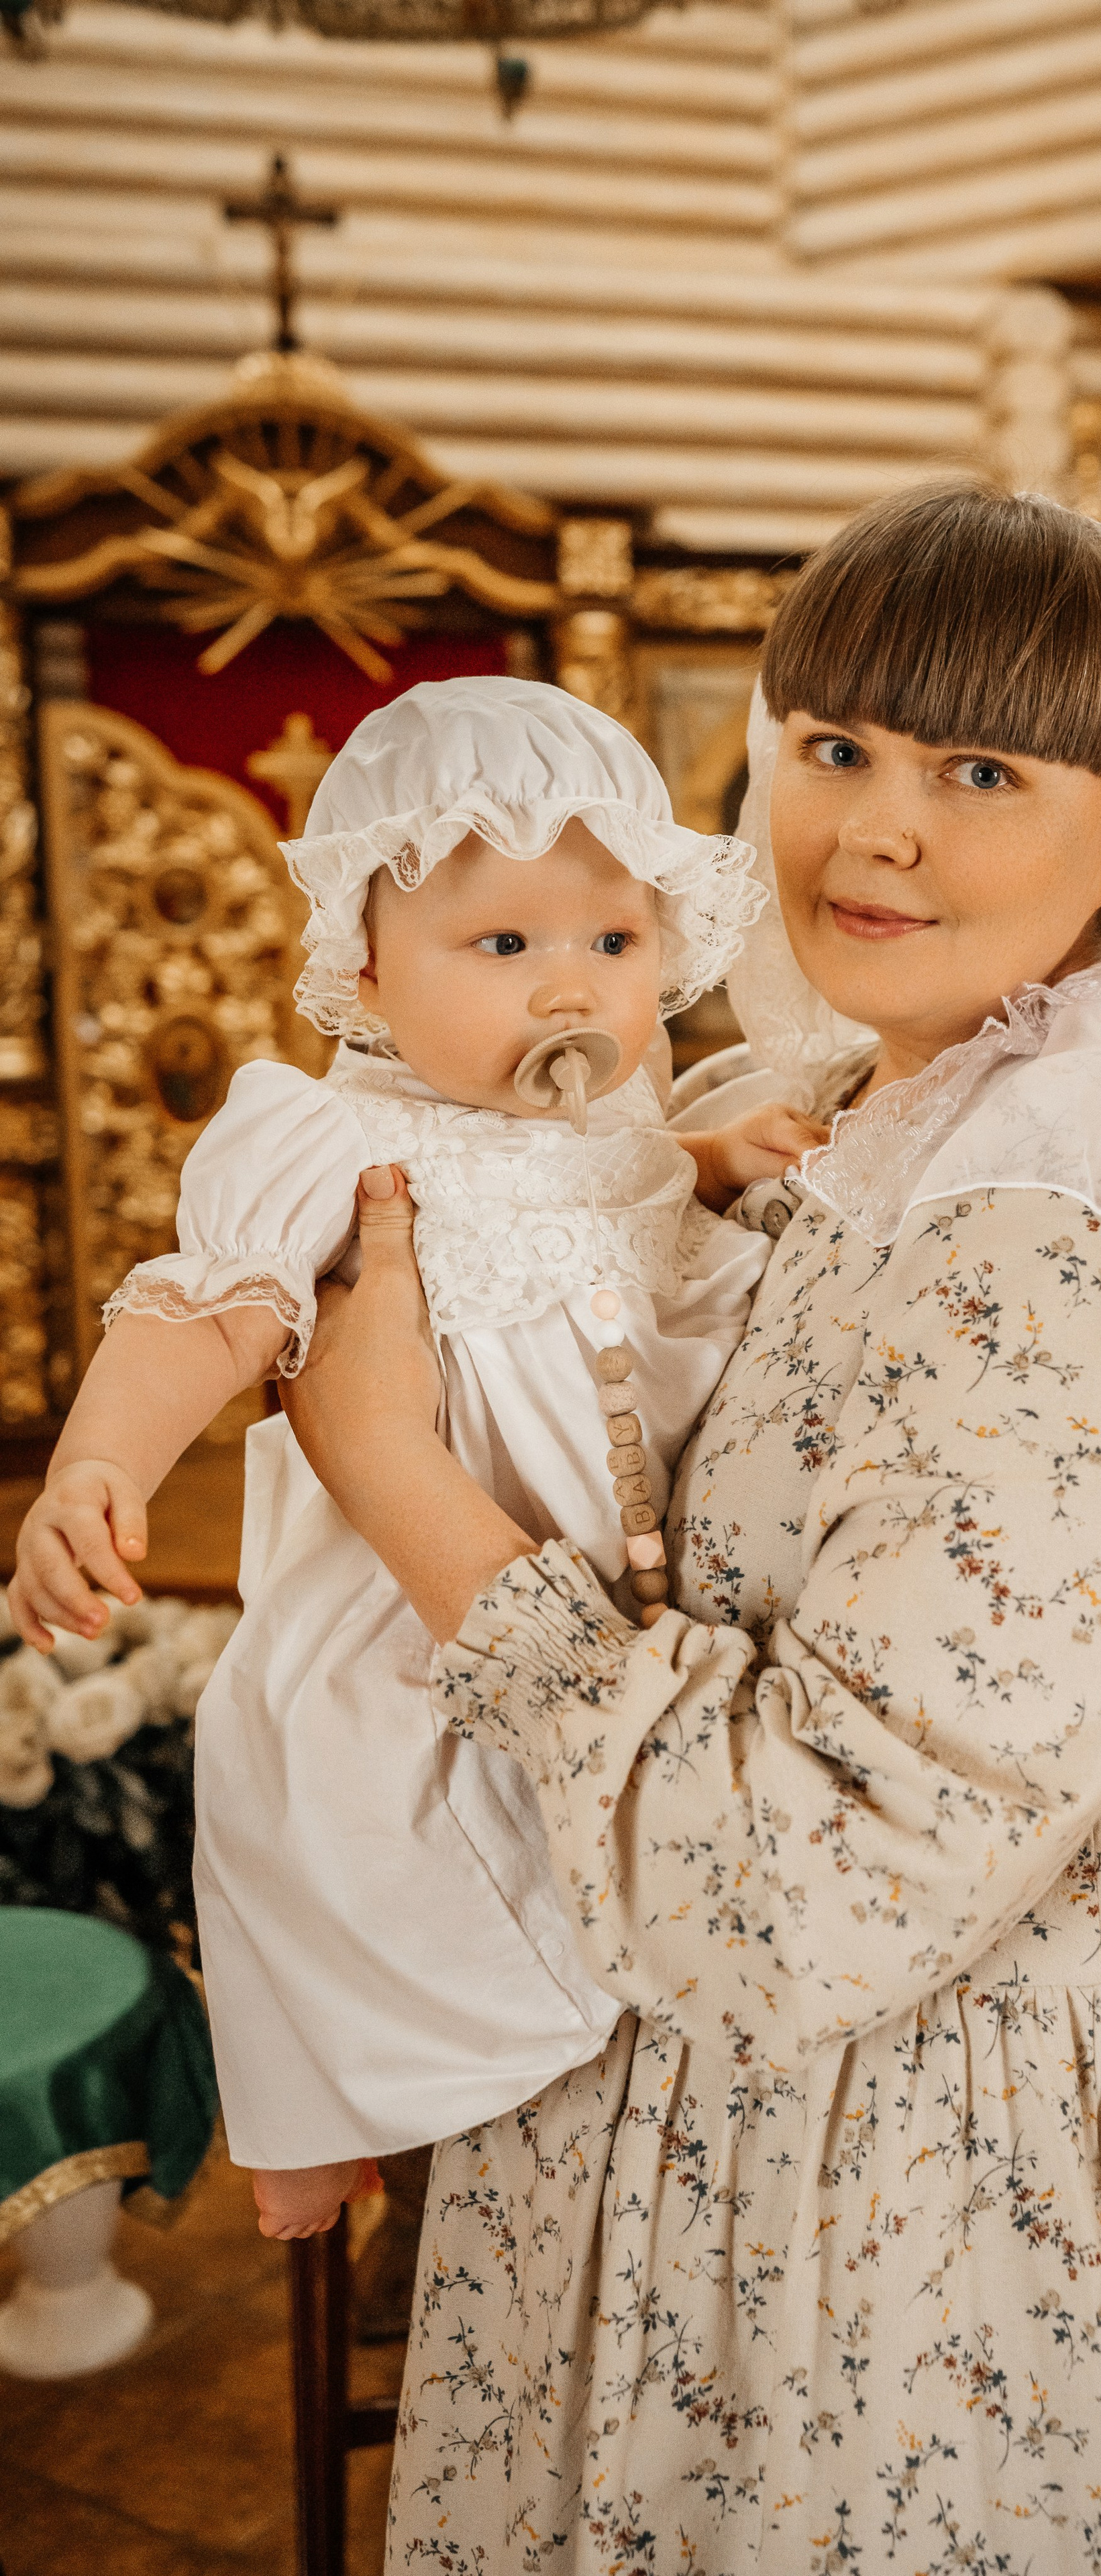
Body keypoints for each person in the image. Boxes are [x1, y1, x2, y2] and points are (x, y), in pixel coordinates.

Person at [282, 487, 1101, 2570]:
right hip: (787, 2151)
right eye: (837, 747)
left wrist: (395, 1475)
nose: (877, 833)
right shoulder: (915, 1099)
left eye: (982, 772)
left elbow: (812, 1887)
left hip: (932, 2233)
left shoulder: (1082, 1236)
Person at [7, 680, 821, 2242]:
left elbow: (632, 1188)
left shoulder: (621, 1115)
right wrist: (98, 1462)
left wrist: (711, 1161)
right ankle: (327, 2105)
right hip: (421, 1584)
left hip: (602, 1594)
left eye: (613, 939)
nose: (566, 986)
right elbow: (211, 1310)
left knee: (596, 1831)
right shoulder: (339, 1141)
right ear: (368, 968)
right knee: (335, 1793)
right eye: (501, 944)